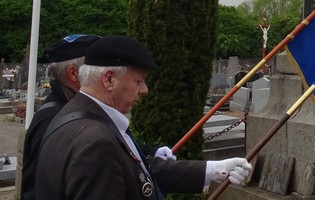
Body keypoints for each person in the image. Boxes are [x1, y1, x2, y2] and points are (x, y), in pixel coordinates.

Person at [36, 35, 252, 200]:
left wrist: (216, 170)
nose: (144, 90)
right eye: (138, 81)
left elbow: (136, 171)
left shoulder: (72, 116)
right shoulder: (96, 142)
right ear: (109, 80)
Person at [21, 34, 101, 200]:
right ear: (73, 73)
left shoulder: (71, 109)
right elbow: (38, 190)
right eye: (97, 69)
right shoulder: (53, 120)